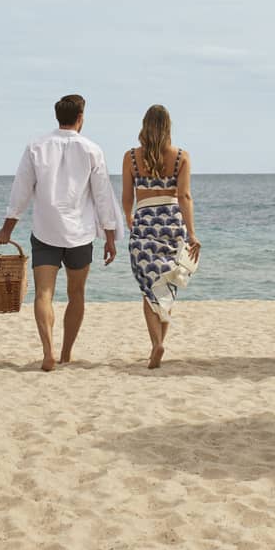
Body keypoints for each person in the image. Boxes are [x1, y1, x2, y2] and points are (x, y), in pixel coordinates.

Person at [0, 94, 119, 372]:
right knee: (76, 294)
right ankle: (65, 353)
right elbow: (102, 196)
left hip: (45, 231)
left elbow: (21, 190)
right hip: (80, 233)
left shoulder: (36, 146)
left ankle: (48, 352)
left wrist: (7, 228)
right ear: (80, 118)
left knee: (43, 294)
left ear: (58, 117)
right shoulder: (92, 149)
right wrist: (110, 237)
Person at [121, 104, 199, 369]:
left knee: (148, 288)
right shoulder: (181, 157)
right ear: (168, 127)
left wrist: (129, 217)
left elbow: (126, 196)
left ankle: (156, 344)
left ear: (144, 126)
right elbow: (185, 197)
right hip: (171, 224)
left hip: (144, 224)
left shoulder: (131, 157)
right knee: (167, 285)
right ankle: (159, 343)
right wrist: (192, 233)